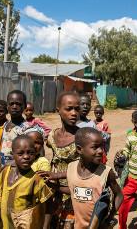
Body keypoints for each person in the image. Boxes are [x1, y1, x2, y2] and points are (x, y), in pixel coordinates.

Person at [0, 135, 54, 229]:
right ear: (12, 154)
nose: (26, 157)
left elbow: (49, 204)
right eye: (20, 154)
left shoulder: (35, 180)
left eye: (31, 153)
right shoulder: (5, 172)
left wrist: (45, 226)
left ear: (35, 154)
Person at [66, 127, 123, 229]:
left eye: (102, 146)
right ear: (79, 149)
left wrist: (110, 217)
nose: (101, 151)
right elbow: (73, 188)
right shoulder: (71, 168)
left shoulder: (106, 172)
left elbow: (119, 195)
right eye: (95, 147)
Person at [45, 92, 81, 228]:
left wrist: (58, 175)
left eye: (77, 109)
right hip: (54, 192)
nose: (74, 113)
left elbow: (86, 169)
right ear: (58, 110)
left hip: (73, 192)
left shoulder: (83, 137)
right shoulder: (52, 136)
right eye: (69, 108)